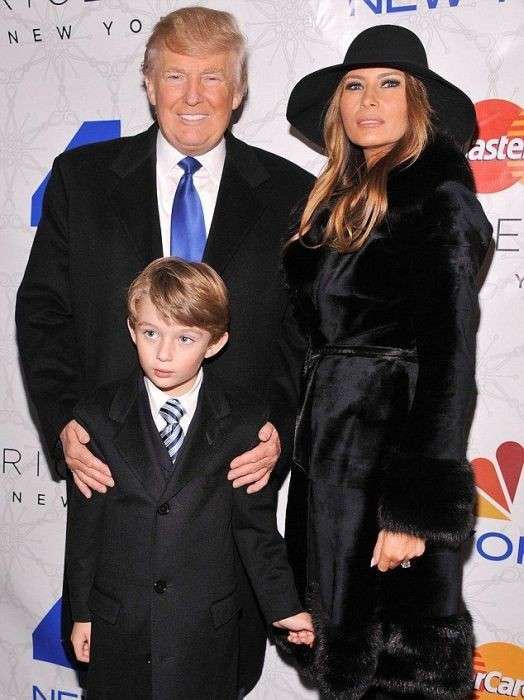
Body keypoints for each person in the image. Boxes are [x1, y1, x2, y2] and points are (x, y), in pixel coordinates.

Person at [16, 6, 313, 692]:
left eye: (213, 77)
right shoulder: (81, 179)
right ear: (148, 84)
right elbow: (43, 312)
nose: (192, 96)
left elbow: (304, 332)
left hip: (228, 498)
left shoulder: (291, 194)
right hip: (113, 495)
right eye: (175, 75)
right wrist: (64, 419)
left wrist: (279, 425)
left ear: (240, 90)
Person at [282, 25, 492, 700]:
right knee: (344, 662)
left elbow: (450, 363)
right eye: (354, 85)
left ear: (416, 102)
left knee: (399, 671)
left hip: (387, 467)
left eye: (388, 84)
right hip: (327, 467)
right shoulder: (333, 206)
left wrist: (413, 513)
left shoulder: (440, 202)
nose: (368, 99)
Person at [65, 257, 314, 700]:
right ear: (131, 330)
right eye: (151, 333)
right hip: (119, 626)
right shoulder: (96, 417)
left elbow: (256, 530)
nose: (163, 353)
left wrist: (285, 606)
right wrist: (81, 612)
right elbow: (86, 528)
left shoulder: (245, 424)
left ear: (214, 343)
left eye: (185, 338)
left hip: (205, 635)